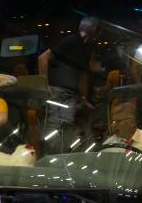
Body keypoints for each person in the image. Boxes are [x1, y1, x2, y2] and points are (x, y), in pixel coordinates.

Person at [38, 16, 99, 150]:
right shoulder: (71, 41)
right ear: (94, 30)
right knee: (55, 128)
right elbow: (43, 58)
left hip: (70, 95)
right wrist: (44, 85)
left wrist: (83, 98)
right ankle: (50, 158)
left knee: (64, 128)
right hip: (58, 92)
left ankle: (58, 157)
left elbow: (83, 76)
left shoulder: (85, 47)